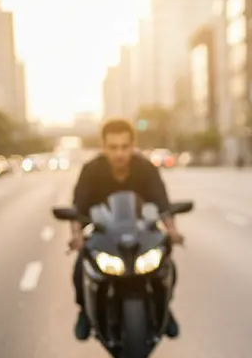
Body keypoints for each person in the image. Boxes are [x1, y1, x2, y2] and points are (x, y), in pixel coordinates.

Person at [68, 118, 185, 341]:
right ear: (103, 147)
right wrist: (76, 237)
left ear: (133, 146)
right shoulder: (91, 170)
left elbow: (163, 204)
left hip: (141, 233)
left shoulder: (146, 168)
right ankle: (84, 311)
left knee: (167, 265)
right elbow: (78, 207)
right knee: (80, 267)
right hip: (104, 234)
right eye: (113, 147)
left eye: (124, 147)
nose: (119, 153)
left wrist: (172, 231)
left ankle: (165, 307)